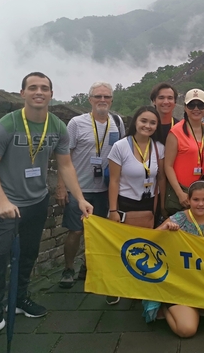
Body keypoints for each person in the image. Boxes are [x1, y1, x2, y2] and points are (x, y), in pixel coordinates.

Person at [0, 72, 93, 345]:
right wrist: (2, 200)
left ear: (51, 94)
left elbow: (65, 165)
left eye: (45, 88)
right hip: (4, 205)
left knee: (28, 254)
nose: (39, 92)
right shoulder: (7, 125)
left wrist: (80, 198)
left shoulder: (57, 126)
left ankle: (20, 298)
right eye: (33, 88)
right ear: (23, 93)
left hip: (36, 203)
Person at [56, 81, 125, 289]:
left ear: (111, 100)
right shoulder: (77, 123)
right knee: (75, 231)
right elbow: (64, 155)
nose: (102, 100)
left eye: (106, 97)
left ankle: (88, 266)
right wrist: (61, 187)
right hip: (79, 189)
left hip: (105, 189)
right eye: (98, 96)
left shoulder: (117, 122)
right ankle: (68, 268)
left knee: (98, 232)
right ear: (90, 100)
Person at [106, 106, 165, 304]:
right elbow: (113, 180)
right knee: (120, 246)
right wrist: (113, 210)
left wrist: (162, 205)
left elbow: (161, 179)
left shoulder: (159, 148)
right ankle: (114, 287)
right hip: (125, 203)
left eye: (152, 122)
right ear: (135, 122)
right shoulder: (121, 147)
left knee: (144, 247)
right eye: (143, 121)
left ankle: (139, 285)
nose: (147, 126)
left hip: (149, 203)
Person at [157, 181, 204, 337]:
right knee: (186, 330)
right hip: (182, 282)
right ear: (188, 200)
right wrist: (165, 229)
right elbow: (152, 238)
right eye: (196, 200)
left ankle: (200, 306)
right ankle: (164, 305)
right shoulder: (179, 218)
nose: (201, 204)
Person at [163, 89, 204, 216]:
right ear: (185, 108)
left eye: (200, 105)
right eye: (191, 105)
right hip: (182, 190)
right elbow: (167, 165)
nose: (196, 109)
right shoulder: (176, 132)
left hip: (201, 191)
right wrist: (179, 193)